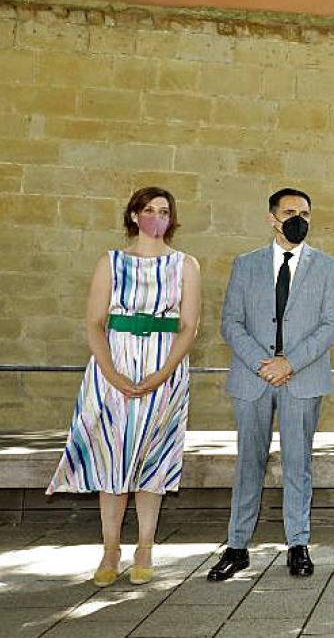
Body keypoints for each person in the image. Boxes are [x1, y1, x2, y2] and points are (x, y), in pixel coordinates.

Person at [48, 187, 201, 587]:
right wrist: (113, 374)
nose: (156, 216)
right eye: (148, 209)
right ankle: (110, 548)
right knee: (111, 454)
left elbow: (190, 326)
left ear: (172, 218)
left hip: (164, 366)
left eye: (164, 210)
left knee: (153, 455)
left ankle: (146, 546)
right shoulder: (110, 262)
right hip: (113, 363)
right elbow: (95, 322)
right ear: (134, 215)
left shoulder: (185, 265)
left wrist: (162, 372)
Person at [207, 188, 334, 582]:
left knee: (299, 464)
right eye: (289, 212)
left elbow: (331, 324)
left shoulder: (327, 266)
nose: (298, 218)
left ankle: (298, 544)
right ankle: (237, 546)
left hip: (302, 378)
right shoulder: (245, 264)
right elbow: (231, 321)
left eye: (304, 212)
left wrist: (290, 362)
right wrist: (262, 364)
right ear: (272, 218)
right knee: (248, 462)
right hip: (253, 379)